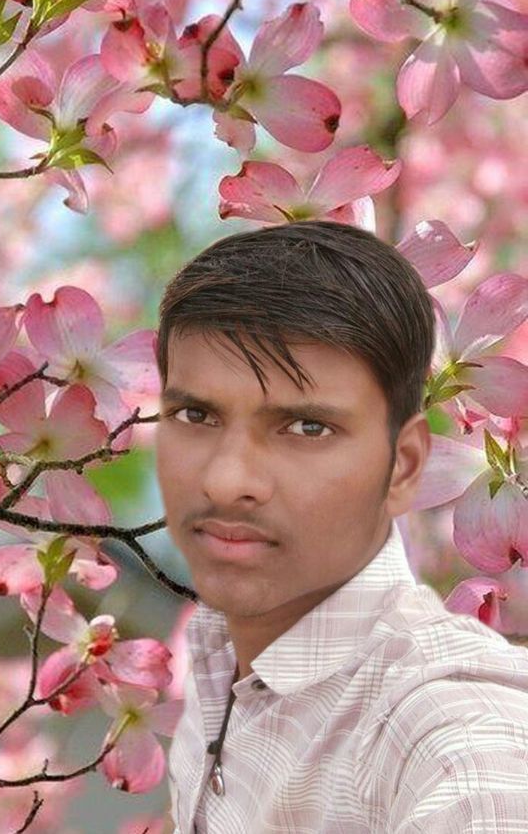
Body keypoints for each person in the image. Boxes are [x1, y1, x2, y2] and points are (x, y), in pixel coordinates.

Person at [154, 221, 528, 833]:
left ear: (404, 464)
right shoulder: (218, 692)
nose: (227, 479)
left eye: (307, 427)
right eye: (196, 415)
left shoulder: (446, 718)